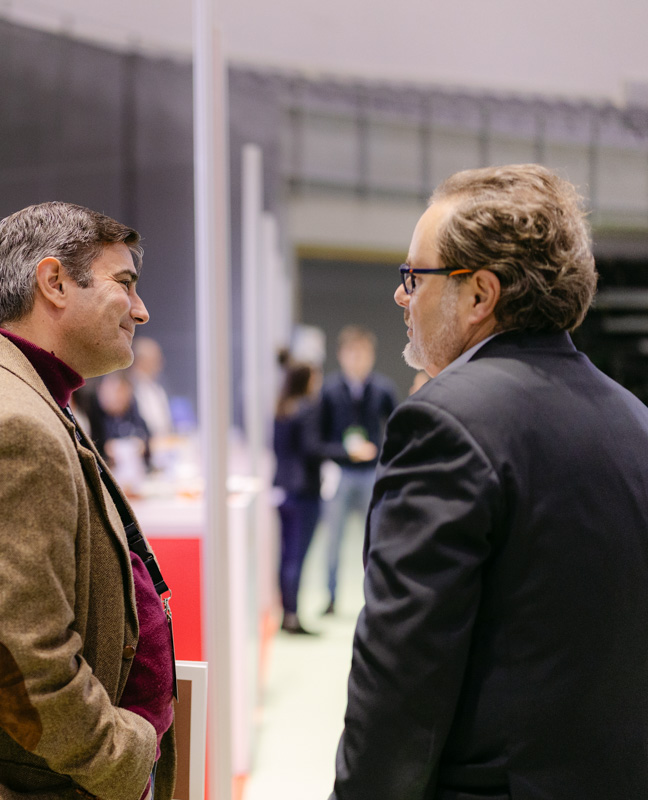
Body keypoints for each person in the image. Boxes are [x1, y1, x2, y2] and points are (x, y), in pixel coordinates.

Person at [331, 164, 648, 799]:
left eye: (414, 276)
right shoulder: (633, 420)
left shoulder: (444, 422)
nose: (401, 296)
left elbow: (401, 681)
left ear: (479, 294)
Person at [0, 202, 176, 800]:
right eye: (124, 283)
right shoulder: (15, 423)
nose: (141, 309)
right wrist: (124, 758)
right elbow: (20, 671)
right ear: (54, 282)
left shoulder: (20, 393)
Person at [316, 325, 397, 615]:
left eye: (363, 352)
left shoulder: (383, 389)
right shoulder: (328, 391)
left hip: (371, 474)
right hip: (340, 474)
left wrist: (382, 456)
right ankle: (331, 597)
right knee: (333, 540)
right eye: (352, 352)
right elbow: (318, 439)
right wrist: (344, 451)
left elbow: (398, 429)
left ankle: (377, 598)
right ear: (341, 355)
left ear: (372, 355)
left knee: (377, 538)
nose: (358, 358)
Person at [272, 353, 324, 635]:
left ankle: (288, 613)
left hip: (283, 489)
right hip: (304, 491)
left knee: (286, 556)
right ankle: (292, 616)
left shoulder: (282, 407)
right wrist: (347, 452)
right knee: (297, 557)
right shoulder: (307, 408)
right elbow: (312, 449)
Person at [130, 337, 173, 438]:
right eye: (155, 359)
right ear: (140, 361)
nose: (161, 363)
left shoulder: (157, 389)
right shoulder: (128, 388)